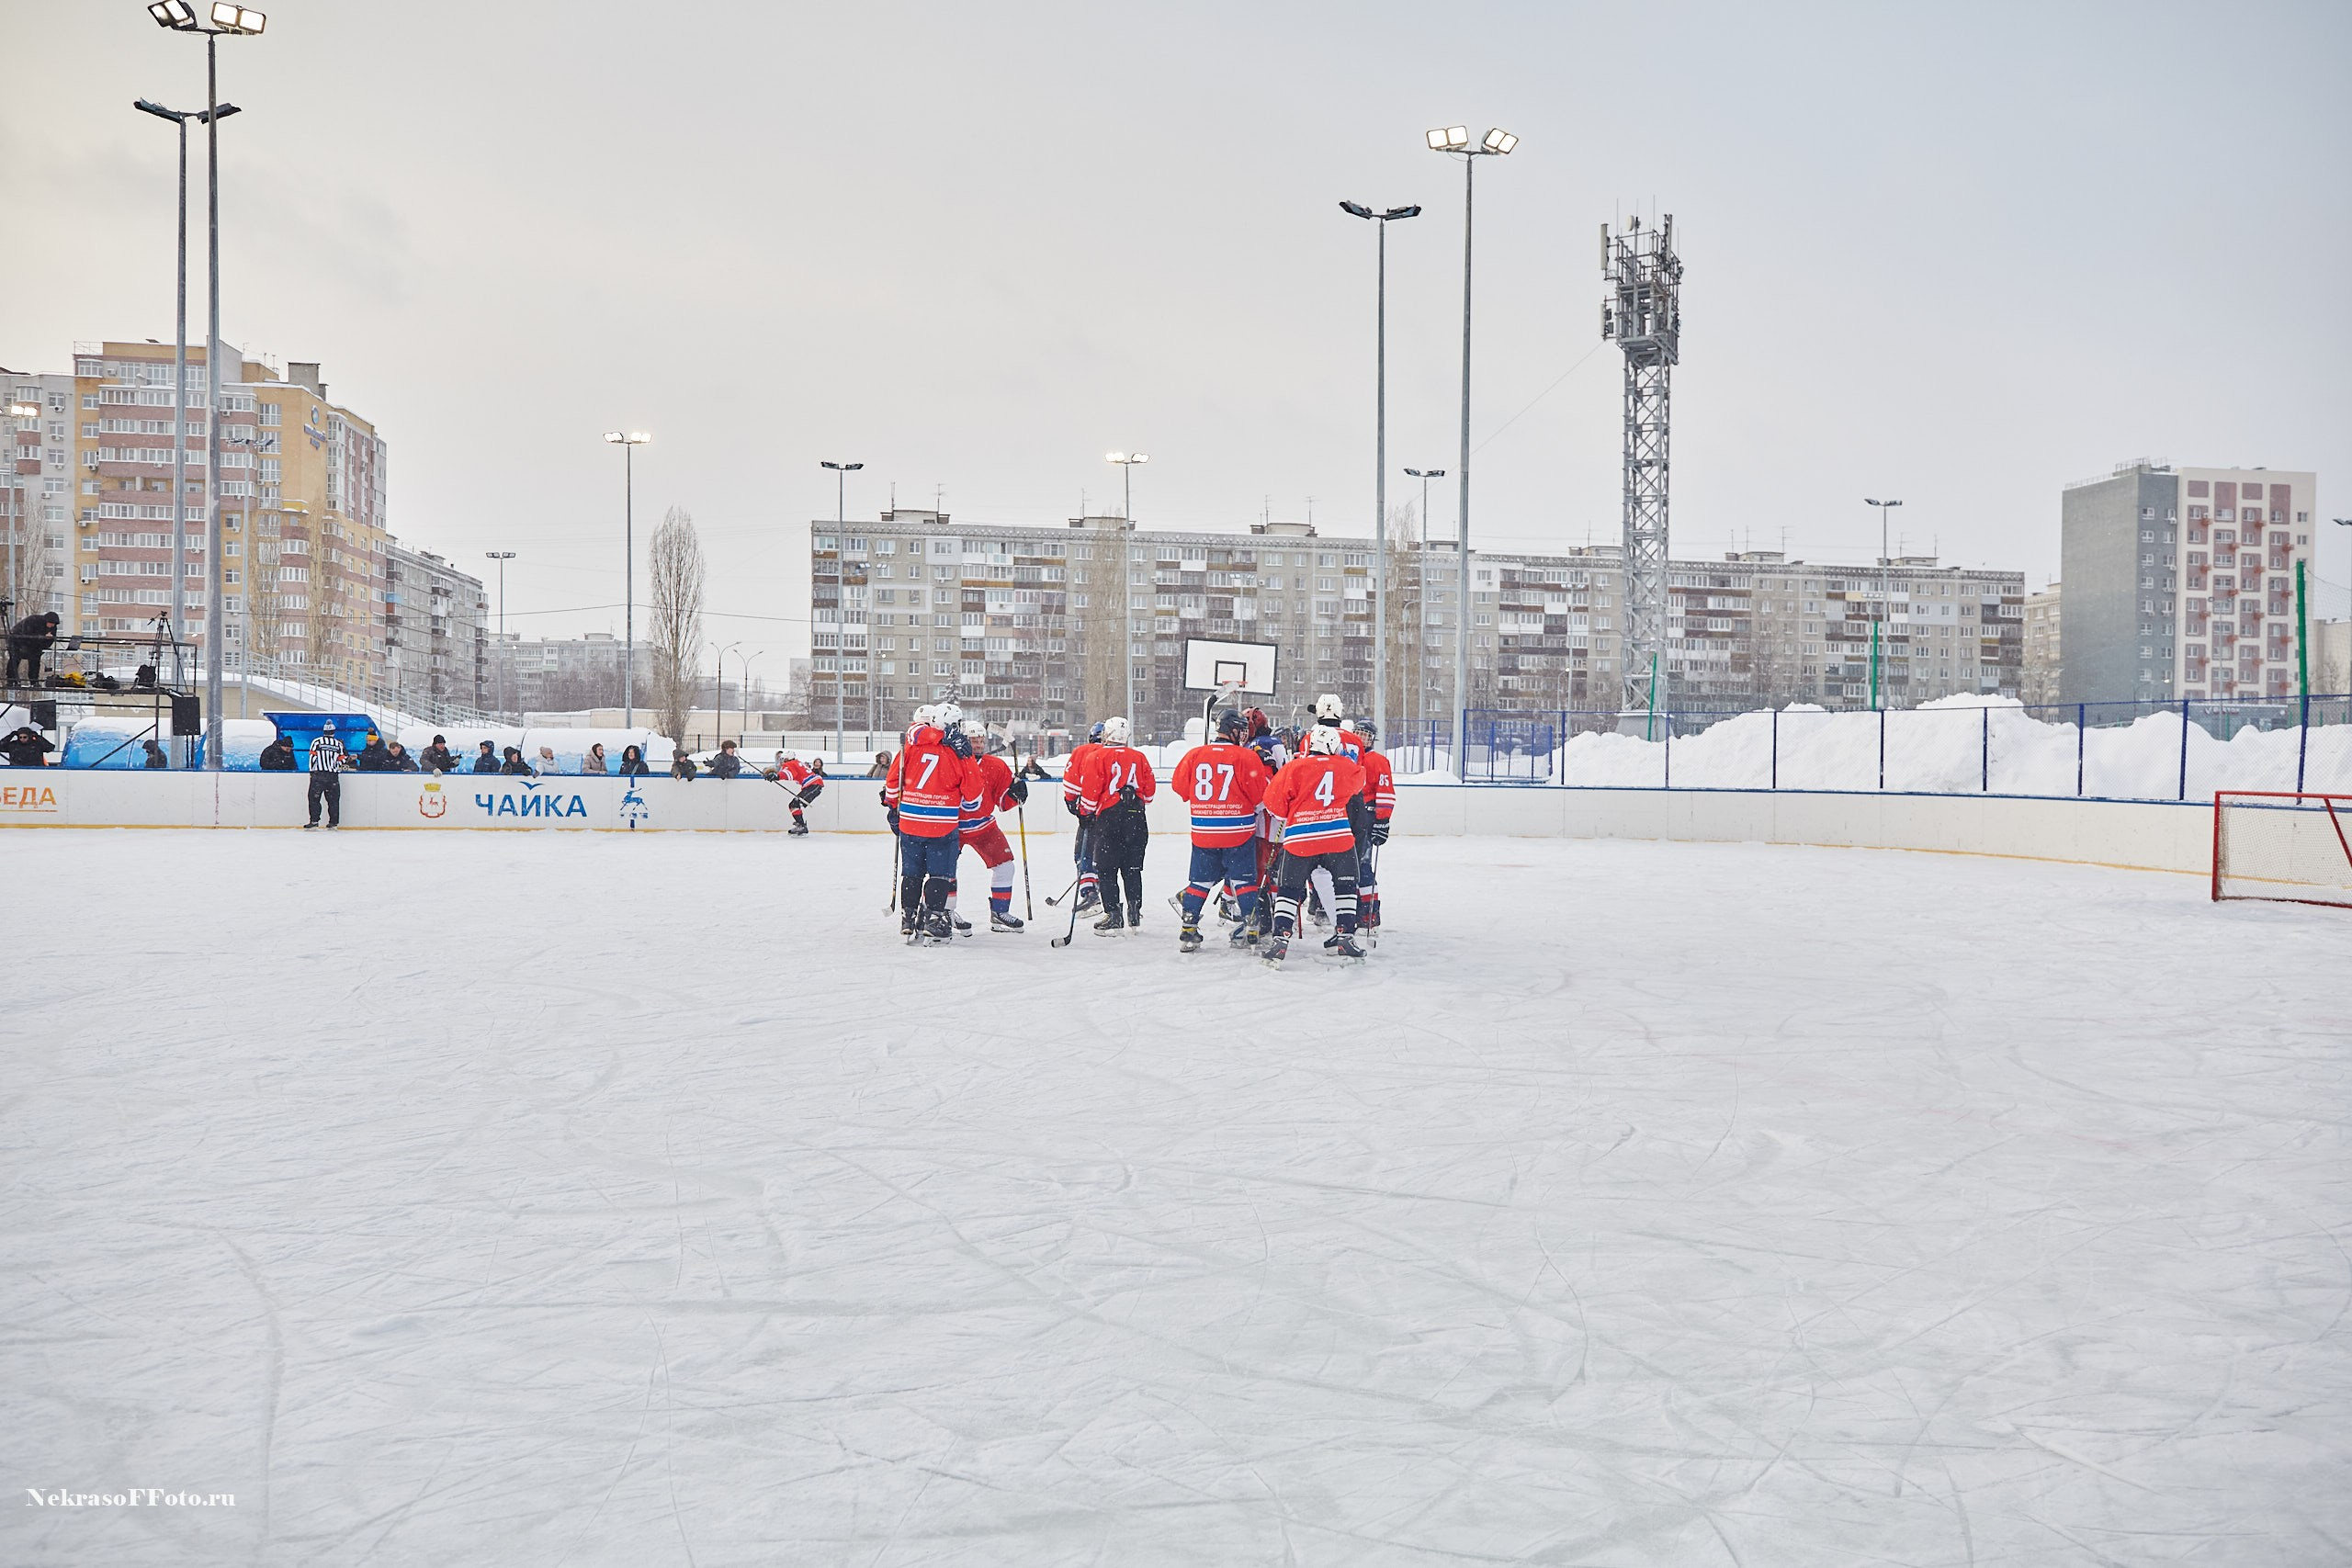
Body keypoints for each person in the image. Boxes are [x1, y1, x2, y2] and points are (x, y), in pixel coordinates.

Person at [1258, 724, 1368, 964]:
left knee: (1289, 889)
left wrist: (1293, 811)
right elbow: (1359, 782)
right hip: (1337, 838)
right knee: (1346, 886)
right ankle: (1346, 934)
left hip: (1301, 839)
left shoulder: (1294, 767)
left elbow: (1273, 803)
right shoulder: (1345, 766)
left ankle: (1281, 939)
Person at [1170, 708, 1272, 951]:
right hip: (1238, 830)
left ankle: (1189, 928)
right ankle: (1252, 925)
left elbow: (1179, 788)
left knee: (1199, 882)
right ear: (1233, 730)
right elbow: (1260, 798)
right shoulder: (1246, 757)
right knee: (1243, 880)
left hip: (1204, 831)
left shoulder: (1195, 755)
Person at [881, 712, 984, 944]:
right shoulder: (960, 754)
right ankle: (934, 920)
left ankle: (908, 918)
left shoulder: (911, 746)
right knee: (940, 874)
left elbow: (892, 782)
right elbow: (974, 796)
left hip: (910, 821)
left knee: (912, 872)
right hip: (942, 825)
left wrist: (894, 807)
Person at [1072, 715, 1155, 934]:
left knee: (1107, 869)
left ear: (1106, 735)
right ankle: (1134, 912)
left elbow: (1090, 792)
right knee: (1133, 868)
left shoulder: (1097, 757)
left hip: (1109, 819)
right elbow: (1149, 795)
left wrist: (1085, 814)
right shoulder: (1140, 757)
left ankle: (1113, 915)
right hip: (1137, 818)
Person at [953, 716, 1029, 931]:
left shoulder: (995, 765)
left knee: (1006, 866)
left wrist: (1018, 794)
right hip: (952, 828)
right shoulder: (951, 761)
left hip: (984, 827)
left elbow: (1004, 802)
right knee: (944, 870)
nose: (978, 745)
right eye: (973, 740)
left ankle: (999, 912)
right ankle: (944, 912)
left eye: (981, 741)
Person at [1352, 719, 1397, 934]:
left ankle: (1369, 913)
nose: (1361, 738)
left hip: (1368, 816)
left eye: (1365, 735)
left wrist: (1382, 820)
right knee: (1346, 866)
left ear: (1372, 739)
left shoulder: (1378, 761)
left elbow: (1386, 792)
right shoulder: (1346, 757)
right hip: (1348, 816)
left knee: (1363, 865)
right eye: (1358, 733)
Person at [1062, 719, 1106, 912]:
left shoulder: (1082, 751)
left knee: (1083, 854)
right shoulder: (1117, 754)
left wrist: (1072, 802)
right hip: (1113, 815)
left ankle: (1090, 892)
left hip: (1089, 813)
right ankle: (1119, 900)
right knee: (1108, 857)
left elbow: (1071, 782)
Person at [304, 719, 350, 829]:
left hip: (318, 775)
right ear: (334, 732)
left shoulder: (317, 742)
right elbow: (342, 759)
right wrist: (335, 766)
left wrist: (312, 772)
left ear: (323, 731)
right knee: (333, 800)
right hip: (332, 776)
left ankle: (314, 821)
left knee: (314, 798)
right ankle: (333, 822)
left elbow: (312, 758)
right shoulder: (338, 744)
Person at [6, 610, 61, 687]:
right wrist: (43, 637)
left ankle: (34, 681)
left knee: (35, 660)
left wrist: (46, 641)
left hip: (34, 645)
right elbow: (27, 634)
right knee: (15, 659)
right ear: (46, 621)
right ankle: (11, 680)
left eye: (53, 624)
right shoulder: (33, 620)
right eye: (51, 623)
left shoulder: (52, 628)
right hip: (17, 640)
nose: (52, 625)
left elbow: (50, 641)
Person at [776, 750, 824, 836]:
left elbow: (787, 774)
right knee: (793, 804)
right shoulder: (797, 762)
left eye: (784, 759)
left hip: (813, 785)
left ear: (788, 758)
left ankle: (802, 826)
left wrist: (777, 776)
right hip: (814, 785)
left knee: (794, 804)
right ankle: (801, 825)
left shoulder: (791, 763)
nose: (783, 761)